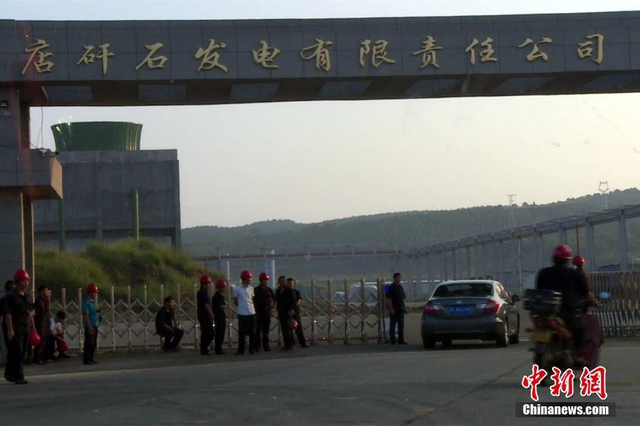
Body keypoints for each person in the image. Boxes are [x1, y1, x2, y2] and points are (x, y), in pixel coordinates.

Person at [535, 245, 590, 359]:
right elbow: (586, 293)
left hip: (545, 313)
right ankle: (578, 356)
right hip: (567, 313)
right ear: (568, 260)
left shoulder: (543, 272)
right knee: (583, 328)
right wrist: (594, 301)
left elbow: (539, 290)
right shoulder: (576, 274)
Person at [4, 269, 35, 384]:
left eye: (27, 281)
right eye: (24, 281)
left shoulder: (28, 296)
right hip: (16, 328)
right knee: (17, 351)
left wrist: (32, 325)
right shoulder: (11, 297)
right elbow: (8, 314)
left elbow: (31, 310)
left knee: (21, 352)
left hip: (25, 327)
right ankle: (19, 376)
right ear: (18, 281)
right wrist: (10, 329)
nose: (26, 283)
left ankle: (10, 373)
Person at [233, 270, 256, 355]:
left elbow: (252, 299)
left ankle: (252, 348)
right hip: (242, 313)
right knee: (242, 333)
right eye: (249, 278)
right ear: (245, 278)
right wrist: (241, 306)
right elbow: (235, 301)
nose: (251, 279)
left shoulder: (251, 288)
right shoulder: (237, 289)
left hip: (251, 312)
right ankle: (241, 349)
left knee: (252, 332)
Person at [253, 272, 275, 352]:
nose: (266, 282)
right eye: (264, 280)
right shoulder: (256, 290)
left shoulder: (269, 290)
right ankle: (257, 346)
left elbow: (275, 299)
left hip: (267, 312)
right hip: (258, 312)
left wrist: (273, 308)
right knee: (258, 330)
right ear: (260, 280)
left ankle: (266, 345)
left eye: (267, 280)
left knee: (266, 330)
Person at [275, 276, 297, 351]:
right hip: (281, 312)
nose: (284, 282)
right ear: (279, 282)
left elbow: (294, 300)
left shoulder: (290, 290)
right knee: (284, 329)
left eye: (285, 281)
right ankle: (286, 344)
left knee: (288, 329)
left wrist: (292, 309)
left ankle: (290, 344)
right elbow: (277, 301)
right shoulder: (278, 291)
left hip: (288, 311)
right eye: (282, 281)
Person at [34, 285, 54, 364]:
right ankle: (37, 358)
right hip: (40, 324)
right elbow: (36, 313)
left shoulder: (45, 301)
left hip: (46, 323)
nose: (46, 292)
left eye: (47, 290)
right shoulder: (38, 301)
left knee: (45, 340)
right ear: (41, 292)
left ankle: (44, 357)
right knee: (40, 341)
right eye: (45, 290)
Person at [386, 272, 407, 345]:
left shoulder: (401, 287)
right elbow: (388, 298)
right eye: (398, 278)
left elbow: (403, 298)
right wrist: (391, 308)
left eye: (400, 278)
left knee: (401, 325)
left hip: (401, 309)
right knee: (393, 324)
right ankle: (392, 340)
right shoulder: (390, 287)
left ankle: (401, 340)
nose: (399, 279)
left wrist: (404, 307)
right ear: (394, 278)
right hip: (394, 309)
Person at [82, 283, 100, 365]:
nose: (95, 294)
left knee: (93, 343)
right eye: (94, 293)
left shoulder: (93, 302)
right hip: (90, 325)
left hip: (95, 324)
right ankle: (87, 359)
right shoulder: (87, 302)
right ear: (90, 293)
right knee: (89, 343)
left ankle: (91, 358)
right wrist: (89, 326)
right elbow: (85, 314)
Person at [287, 278, 308, 348]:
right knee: (288, 329)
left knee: (299, 328)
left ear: (293, 284)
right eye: (288, 283)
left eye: (291, 283)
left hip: (296, 312)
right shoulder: (285, 293)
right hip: (288, 313)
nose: (290, 285)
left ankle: (302, 343)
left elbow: (299, 300)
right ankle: (291, 343)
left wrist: (294, 306)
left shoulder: (296, 292)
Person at [197, 275, 215, 355]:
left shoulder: (204, 292)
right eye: (208, 283)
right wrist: (211, 313)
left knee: (207, 332)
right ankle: (203, 348)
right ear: (204, 284)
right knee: (208, 332)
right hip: (204, 316)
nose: (209, 285)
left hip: (204, 315)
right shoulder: (202, 293)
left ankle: (204, 348)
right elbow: (206, 304)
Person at [212, 279, 227, 355]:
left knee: (221, 332)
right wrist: (223, 306)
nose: (224, 289)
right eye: (223, 287)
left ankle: (219, 348)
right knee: (219, 333)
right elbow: (221, 306)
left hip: (221, 316)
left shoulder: (219, 296)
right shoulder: (217, 297)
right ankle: (218, 349)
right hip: (218, 317)